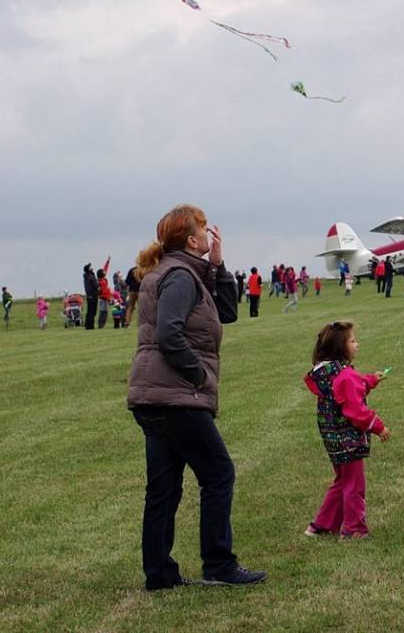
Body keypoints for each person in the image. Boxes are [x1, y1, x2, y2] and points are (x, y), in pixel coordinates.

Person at [127, 203, 265, 589]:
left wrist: (218, 266)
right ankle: (219, 565)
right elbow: (169, 335)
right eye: (204, 231)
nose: (209, 236)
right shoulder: (180, 277)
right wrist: (199, 375)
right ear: (191, 239)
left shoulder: (182, 273)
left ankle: (160, 574)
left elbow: (226, 312)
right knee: (219, 473)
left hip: (154, 396)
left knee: (164, 487)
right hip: (175, 396)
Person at [303, 321, 390, 539]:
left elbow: (352, 384)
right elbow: (356, 411)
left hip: (333, 442)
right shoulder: (345, 376)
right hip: (349, 441)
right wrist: (378, 427)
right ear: (340, 347)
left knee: (342, 482)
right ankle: (354, 530)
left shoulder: (327, 372)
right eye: (352, 341)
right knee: (354, 486)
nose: (357, 344)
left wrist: (371, 379)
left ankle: (321, 525)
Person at [97, 258, 112, 329]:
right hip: (103, 298)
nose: (104, 272)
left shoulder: (102, 279)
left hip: (105, 298)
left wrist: (107, 262)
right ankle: (101, 325)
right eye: (103, 272)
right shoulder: (101, 281)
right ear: (101, 274)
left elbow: (105, 269)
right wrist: (108, 298)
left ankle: (102, 325)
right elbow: (103, 291)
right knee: (103, 312)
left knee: (104, 312)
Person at [83, 263, 99, 329]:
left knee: (89, 311)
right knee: (93, 311)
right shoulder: (91, 276)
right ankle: (91, 326)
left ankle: (87, 325)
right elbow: (96, 286)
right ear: (88, 269)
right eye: (90, 267)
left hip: (89, 295)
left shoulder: (86, 276)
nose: (92, 268)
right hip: (93, 295)